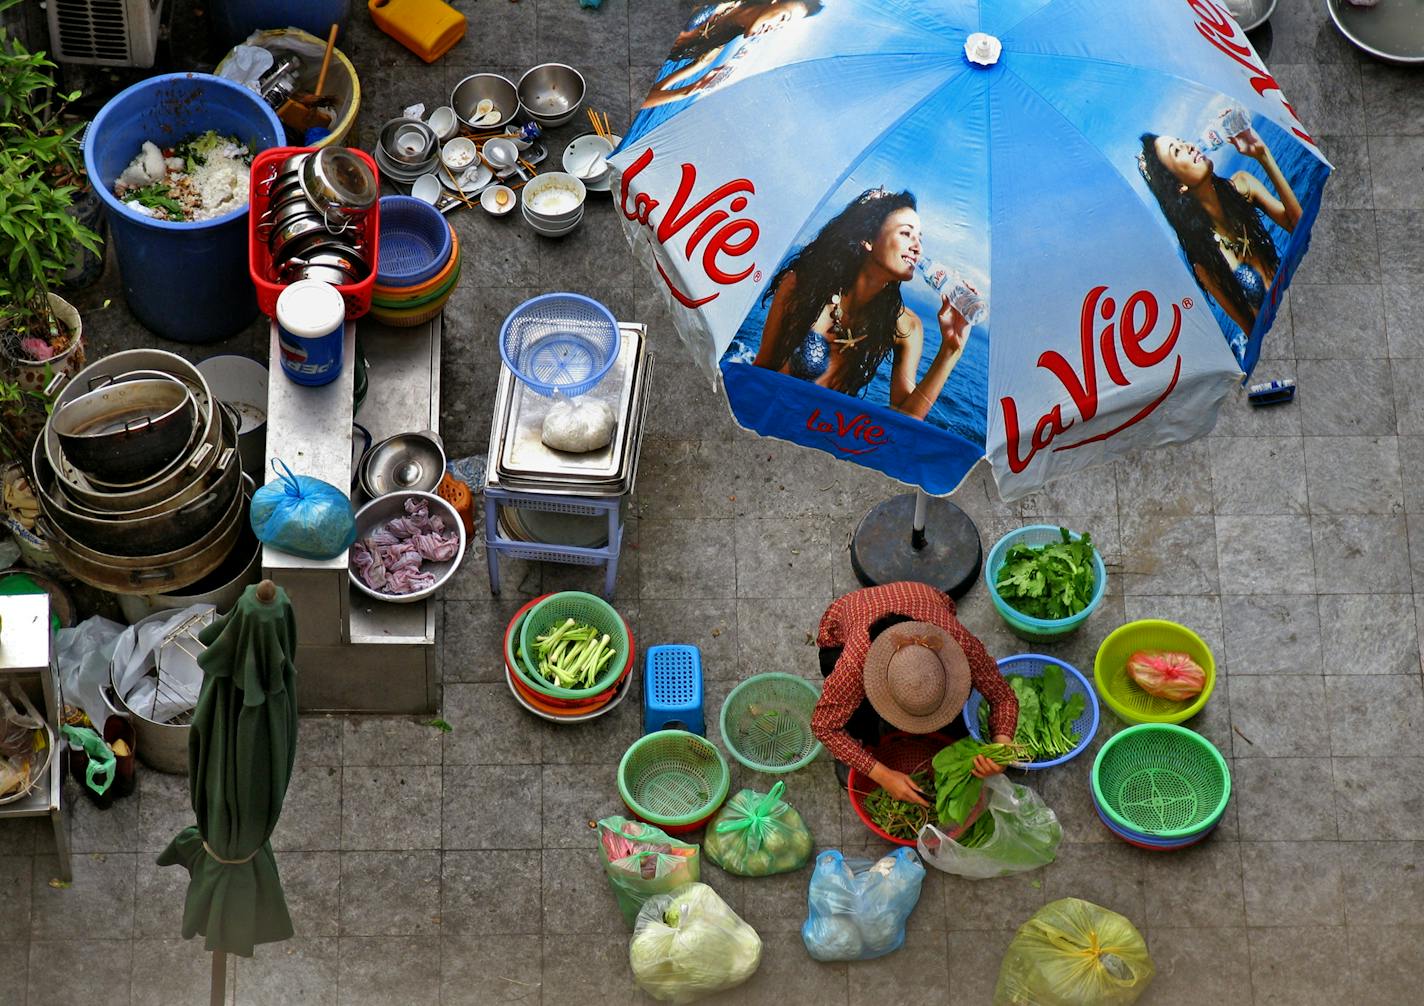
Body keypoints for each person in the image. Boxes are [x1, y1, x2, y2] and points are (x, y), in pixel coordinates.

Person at [753, 188, 974, 419]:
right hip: (772, 419)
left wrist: (951, 349)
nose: (917, 247)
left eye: (920, 237)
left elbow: (906, 418)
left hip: (821, 440)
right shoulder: (802, 287)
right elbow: (762, 367)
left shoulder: (906, 326)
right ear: (868, 239)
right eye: (906, 234)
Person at [811, 581, 1018, 808]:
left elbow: (1003, 697)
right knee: (859, 719)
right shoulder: (856, 662)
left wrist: (1002, 749)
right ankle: (865, 738)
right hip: (852, 615)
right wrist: (884, 776)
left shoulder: (959, 643)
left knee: (962, 705)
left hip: (920, 596)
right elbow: (824, 726)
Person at [1138, 124, 1303, 350]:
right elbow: (1251, 331)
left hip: (1296, 295)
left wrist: (1263, 155)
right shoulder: (1205, 263)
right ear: (1180, 186)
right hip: (1277, 336)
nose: (1188, 146)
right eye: (1176, 151)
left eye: (1180, 140)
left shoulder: (1242, 186)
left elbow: (1298, 226)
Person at [642, 1, 827, 109]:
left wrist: (692, 89)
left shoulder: (711, 51)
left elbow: (640, 98)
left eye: (783, 26)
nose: (776, 26)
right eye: (783, 18)